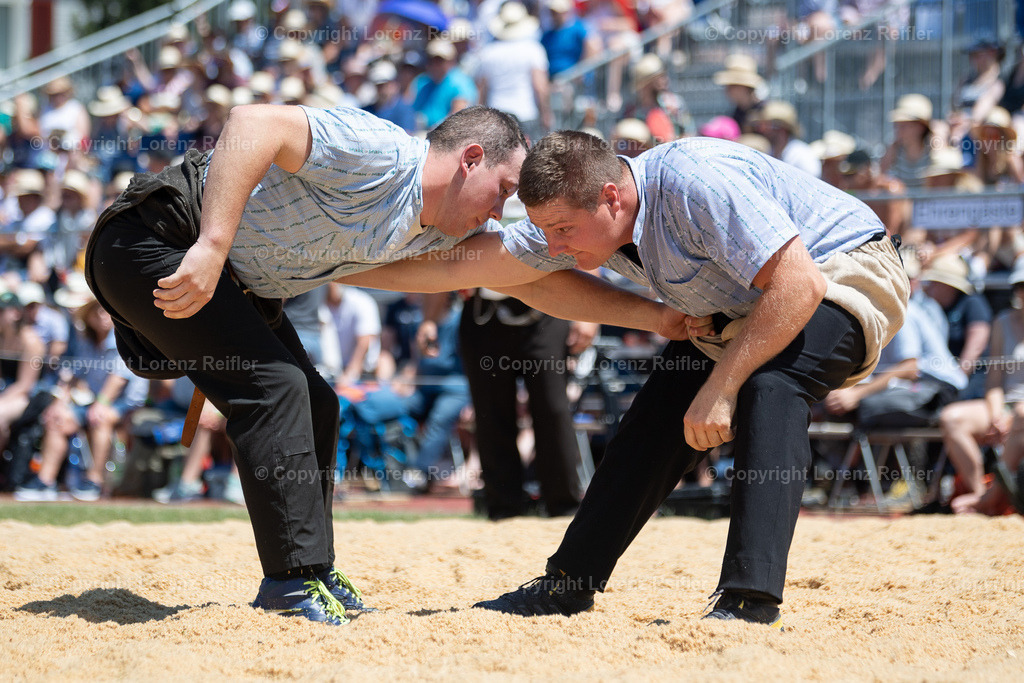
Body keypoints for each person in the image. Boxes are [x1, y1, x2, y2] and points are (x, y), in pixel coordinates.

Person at [84, 104, 692, 626]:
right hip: (156, 239)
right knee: (276, 388)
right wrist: (212, 246)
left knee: (315, 400)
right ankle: (289, 584)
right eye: (505, 191)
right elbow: (253, 122)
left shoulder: (426, 235)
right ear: (471, 158)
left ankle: (311, 572)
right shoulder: (382, 153)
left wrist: (657, 318)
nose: (501, 212)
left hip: (233, 279)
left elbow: (530, 281)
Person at [343, 130, 908, 627]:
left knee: (769, 387)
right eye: (546, 231)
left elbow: (798, 285)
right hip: (745, 306)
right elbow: (481, 267)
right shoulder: (577, 215)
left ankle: (749, 598)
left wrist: (720, 387)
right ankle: (568, 584)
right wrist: (333, 266)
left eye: (563, 229)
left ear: (611, 196)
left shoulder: (694, 180)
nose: (555, 246)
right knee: (652, 421)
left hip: (843, 271)